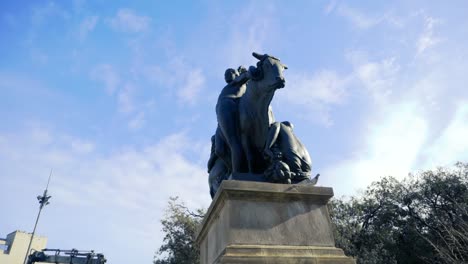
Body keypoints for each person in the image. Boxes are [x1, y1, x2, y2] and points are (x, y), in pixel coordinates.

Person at [215, 66, 251, 173]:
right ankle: (234, 168)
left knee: (234, 142)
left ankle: (238, 173)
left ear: (236, 74)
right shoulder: (231, 85)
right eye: (225, 73)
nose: (227, 74)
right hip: (221, 115)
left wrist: (247, 73)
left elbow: (246, 76)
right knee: (219, 150)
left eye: (231, 72)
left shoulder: (238, 82)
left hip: (228, 107)